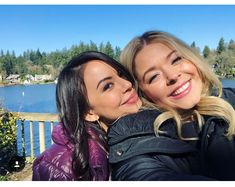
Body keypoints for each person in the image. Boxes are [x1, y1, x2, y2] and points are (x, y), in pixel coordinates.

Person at [116, 30, 235, 180]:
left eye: (176, 60)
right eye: (153, 77)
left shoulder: (231, 98)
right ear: (143, 93)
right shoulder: (141, 142)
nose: (172, 76)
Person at [32, 51, 142, 181]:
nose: (128, 84)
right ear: (89, 113)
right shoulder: (58, 169)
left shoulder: (119, 135)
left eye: (121, 75)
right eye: (108, 86)